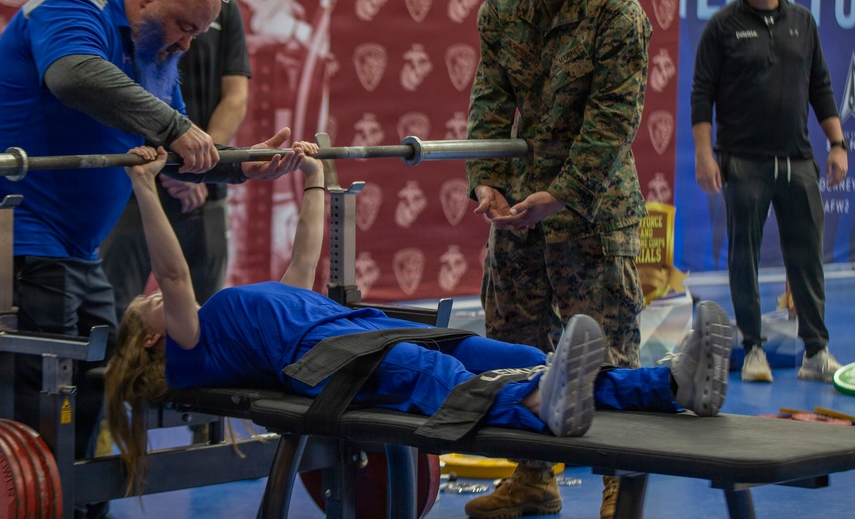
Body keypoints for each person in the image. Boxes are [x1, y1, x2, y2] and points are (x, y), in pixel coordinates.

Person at [105, 143, 732, 499]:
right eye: (148, 303)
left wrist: (314, 176)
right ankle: (539, 408)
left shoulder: (236, 312)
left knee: (506, 355)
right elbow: (177, 273)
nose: (156, 295)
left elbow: (303, 261)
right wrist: (145, 185)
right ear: (154, 334)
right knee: (442, 377)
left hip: (364, 329)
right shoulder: (190, 344)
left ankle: (674, 385)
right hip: (332, 359)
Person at [0, 0, 305, 519]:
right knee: (37, 394)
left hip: (75, 247)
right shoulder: (72, 5)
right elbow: (74, 75)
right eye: (186, 27)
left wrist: (240, 166)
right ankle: (21, 502)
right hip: (8, 233)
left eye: (198, 34)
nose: (187, 45)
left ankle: (76, 505)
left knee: (97, 379)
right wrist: (179, 127)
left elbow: (175, 154)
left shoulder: (157, 51)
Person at [463, 0, 653, 519]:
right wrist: (487, 180)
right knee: (518, 349)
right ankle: (533, 478)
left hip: (589, 214)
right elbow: (489, 99)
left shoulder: (615, 11)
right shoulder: (504, 6)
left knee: (604, 351)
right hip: (520, 215)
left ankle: (618, 485)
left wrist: (563, 195)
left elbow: (612, 120)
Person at [691, 0, 847, 384]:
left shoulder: (803, 22)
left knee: (807, 258)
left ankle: (815, 352)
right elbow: (702, 94)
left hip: (797, 161)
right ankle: (753, 347)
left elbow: (821, 86)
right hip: (743, 162)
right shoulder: (722, 26)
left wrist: (837, 144)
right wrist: (705, 154)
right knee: (745, 258)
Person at [101, 0, 251, 320]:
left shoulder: (224, 8)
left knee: (205, 319)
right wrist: (160, 164)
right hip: (133, 181)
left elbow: (235, 96)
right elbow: (111, 94)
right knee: (112, 316)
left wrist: (197, 166)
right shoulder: (126, 3)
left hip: (199, 189)